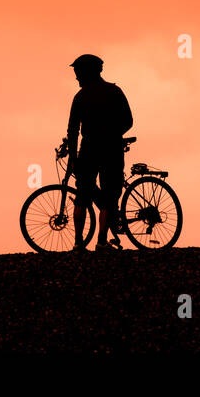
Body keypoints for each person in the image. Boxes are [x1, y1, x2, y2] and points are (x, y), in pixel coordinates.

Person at [66, 54, 133, 251]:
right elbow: (128, 121)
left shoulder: (80, 97)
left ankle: (78, 243)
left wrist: (72, 156)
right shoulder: (114, 92)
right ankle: (102, 242)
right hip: (111, 149)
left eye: (78, 73)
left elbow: (72, 130)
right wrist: (113, 134)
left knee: (82, 195)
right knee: (109, 195)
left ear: (88, 72)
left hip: (87, 150)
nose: (76, 77)